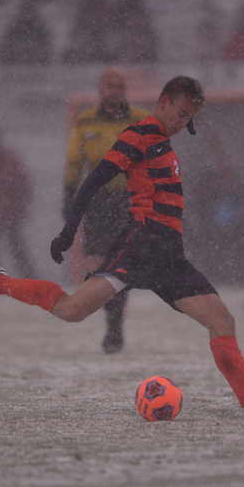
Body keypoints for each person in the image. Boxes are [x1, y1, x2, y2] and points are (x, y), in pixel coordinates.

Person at [0, 76, 244, 418]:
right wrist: (69, 231)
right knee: (71, 310)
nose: (183, 123)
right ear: (163, 103)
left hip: (169, 255)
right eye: (180, 114)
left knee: (222, 318)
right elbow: (93, 180)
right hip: (140, 245)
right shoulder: (138, 135)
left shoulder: (163, 140)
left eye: (189, 118)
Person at [61, 68, 149, 353]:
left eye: (119, 85)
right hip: (98, 201)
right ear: (100, 88)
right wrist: (67, 197)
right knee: (96, 266)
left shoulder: (140, 119)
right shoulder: (85, 120)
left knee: (120, 265)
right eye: (109, 85)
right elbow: (74, 161)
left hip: (129, 199)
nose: (114, 90)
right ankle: (112, 320)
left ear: (126, 89)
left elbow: (155, 158)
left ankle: (114, 327)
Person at [0, 127, 37, 279]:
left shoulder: (8, 158)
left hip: (8, 210)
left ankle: (28, 276)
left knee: (16, 246)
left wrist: (23, 205)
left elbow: (23, 182)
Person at [0, 0, 52, 65]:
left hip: (36, 65)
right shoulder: (14, 30)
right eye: (25, 12)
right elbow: (5, 48)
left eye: (29, 12)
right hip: (15, 65)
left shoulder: (40, 30)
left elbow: (46, 49)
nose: (27, 15)